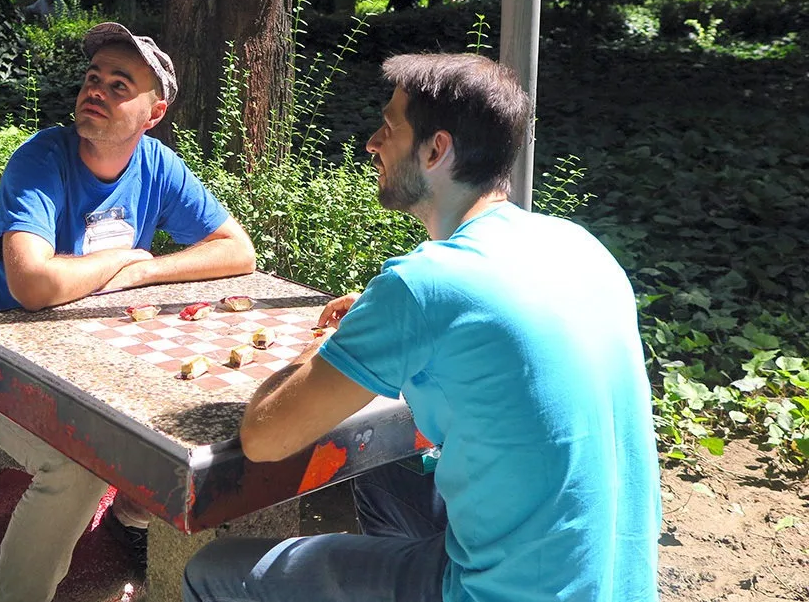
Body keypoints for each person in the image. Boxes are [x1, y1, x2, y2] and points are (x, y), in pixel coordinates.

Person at [182, 53, 661, 602]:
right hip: (615, 583)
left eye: (389, 127)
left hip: (500, 593)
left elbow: (264, 438)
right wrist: (388, 321)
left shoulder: (427, 284)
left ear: (437, 150)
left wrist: (321, 346)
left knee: (211, 571)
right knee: (386, 477)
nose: (372, 143)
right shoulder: (578, 246)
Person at [0, 22, 256, 602]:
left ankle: (127, 518)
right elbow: (32, 282)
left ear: (154, 113)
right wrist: (127, 254)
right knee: (78, 465)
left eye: (120, 85)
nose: (95, 90)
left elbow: (238, 250)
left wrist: (147, 270)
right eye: (93, 78)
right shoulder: (40, 160)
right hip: (3, 371)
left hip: (99, 358)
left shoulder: (158, 166)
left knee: (204, 425)